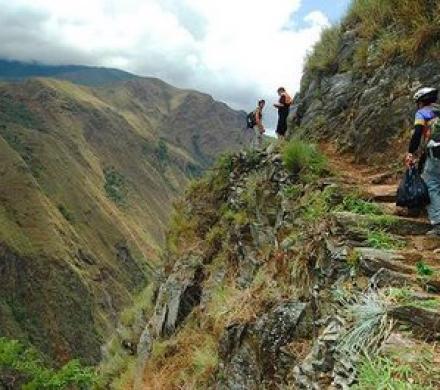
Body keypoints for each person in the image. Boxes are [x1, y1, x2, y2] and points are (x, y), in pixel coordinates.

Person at [406, 87, 440, 235]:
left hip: (436, 153)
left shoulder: (422, 113)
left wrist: (410, 152)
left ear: (420, 102)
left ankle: (438, 223)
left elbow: (418, 133)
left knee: (431, 184)